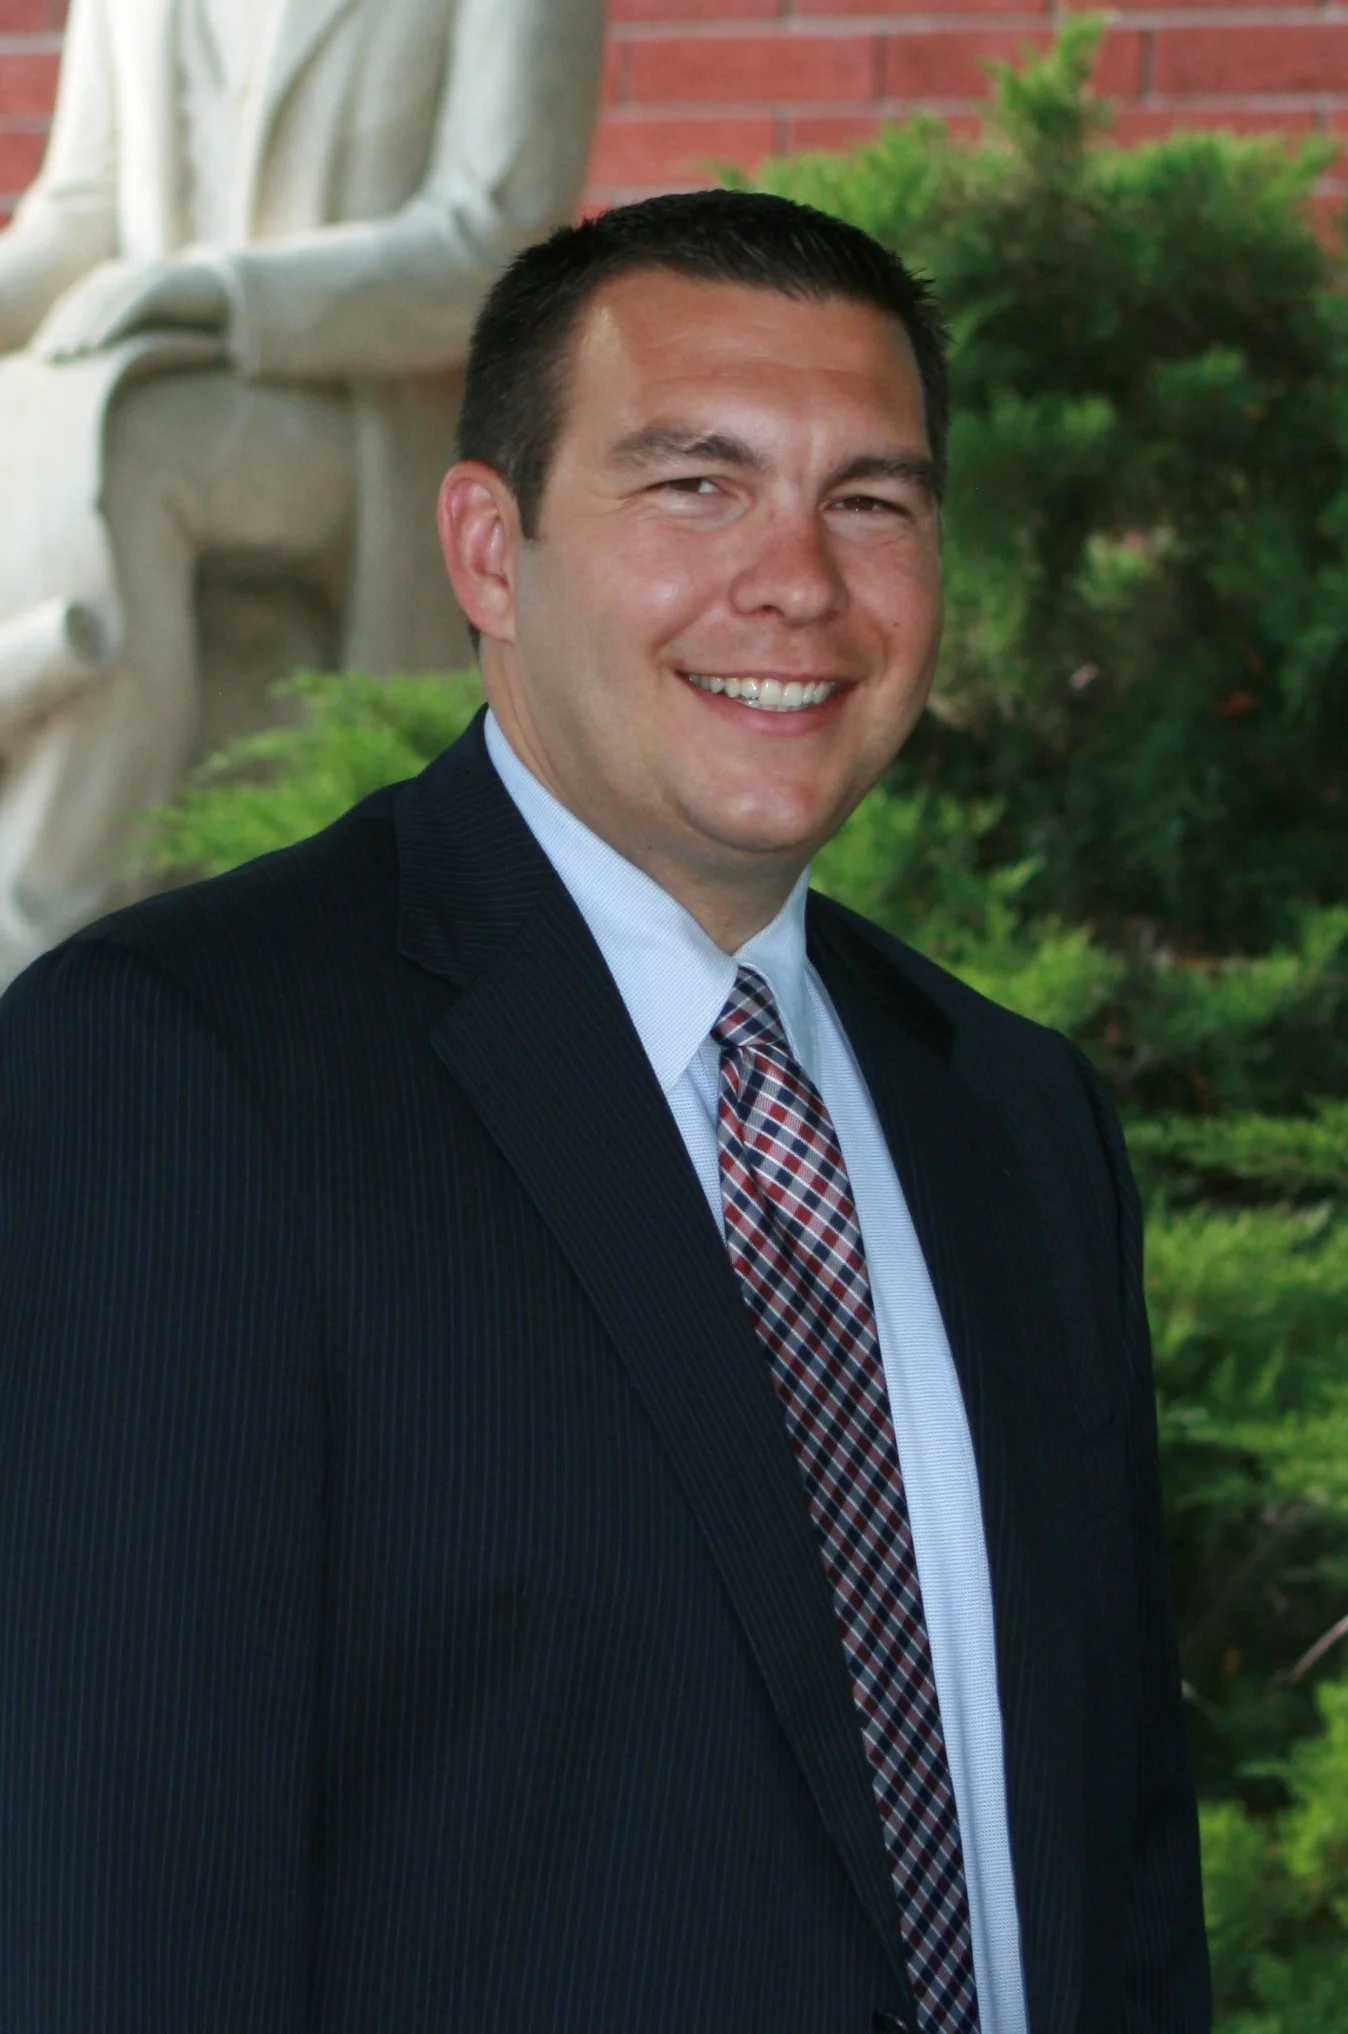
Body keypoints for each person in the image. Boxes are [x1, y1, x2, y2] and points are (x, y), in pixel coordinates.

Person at [0, 191, 1210, 2033]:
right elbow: (107, 1906)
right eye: (694, 486)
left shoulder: (1018, 1119)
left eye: (868, 499)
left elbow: (1115, 1879)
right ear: (489, 548)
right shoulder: (183, 1067)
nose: (797, 579)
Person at [0, 0, 605, 982]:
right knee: (47, 418)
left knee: (122, 450)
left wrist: (220, 289)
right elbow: (77, 216)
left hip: (364, 426)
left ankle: (36, 921)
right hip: (132, 390)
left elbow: (496, 243)